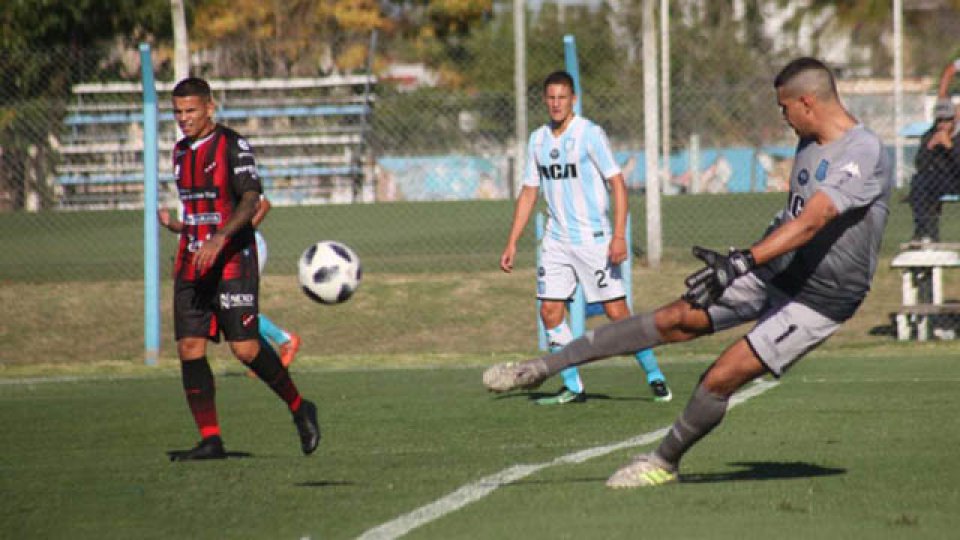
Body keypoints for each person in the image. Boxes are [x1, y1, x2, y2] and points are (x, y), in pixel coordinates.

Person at [484, 57, 893, 487]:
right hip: (774, 271)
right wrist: (742, 260)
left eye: (783, 107)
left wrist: (745, 261)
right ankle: (540, 368)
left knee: (722, 375)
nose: (782, 116)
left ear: (807, 103)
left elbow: (814, 220)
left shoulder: (863, 151)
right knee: (672, 318)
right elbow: (791, 215)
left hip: (819, 300)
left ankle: (663, 462)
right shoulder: (809, 140)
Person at [157, 77, 319, 460]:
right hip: (192, 261)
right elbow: (199, 211)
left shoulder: (232, 144)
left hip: (231, 257)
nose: (184, 119)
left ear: (210, 107)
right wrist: (183, 232)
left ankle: (300, 408)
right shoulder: (180, 152)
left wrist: (218, 240)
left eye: (191, 110)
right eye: (178, 112)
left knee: (245, 349)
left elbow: (251, 201)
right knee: (189, 347)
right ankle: (211, 438)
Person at [499, 70, 671, 405]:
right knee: (549, 311)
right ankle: (572, 385)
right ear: (545, 101)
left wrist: (618, 235)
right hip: (556, 240)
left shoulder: (590, 134)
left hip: (594, 240)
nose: (556, 103)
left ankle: (654, 374)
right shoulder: (537, 140)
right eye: (550, 97)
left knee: (616, 313)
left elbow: (618, 184)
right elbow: (529, 192)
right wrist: (512, 241)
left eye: (562, 97)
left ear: (573, 100)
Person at [160, 195, 303, 376]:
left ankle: (284, 343)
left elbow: (264, 205)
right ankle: (270, 354)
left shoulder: (224, 175)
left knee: (236, 307)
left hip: (243, 250)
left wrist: (239, 237)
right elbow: (191, 231)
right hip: (214, 256)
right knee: (228, 310)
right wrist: (169, 223)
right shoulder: (188, 191)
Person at [908, 99, 960, 243]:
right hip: (940, 180)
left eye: (947, 120)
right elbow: (920, 165)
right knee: (919, 182)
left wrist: (949, 146)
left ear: (954, 120)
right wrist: (928, 149)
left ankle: (926, 234)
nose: (943, 124)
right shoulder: (929, 135)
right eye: (939, 120)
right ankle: (926, 234)